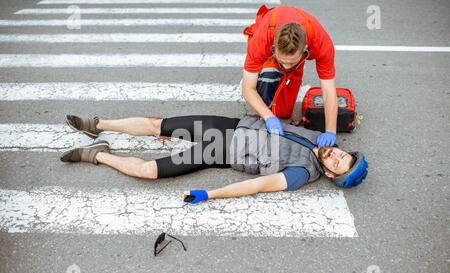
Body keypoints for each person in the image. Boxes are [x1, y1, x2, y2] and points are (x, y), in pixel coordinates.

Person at [60, 115, 368, 204]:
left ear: (330, 175)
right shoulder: (323, 139)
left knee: (149, 171)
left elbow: (258, 186)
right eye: (344, 154)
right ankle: (96, 125)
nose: (338, 154)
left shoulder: (302, 174)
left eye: (339, 163)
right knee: (158, 124)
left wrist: (210, 194)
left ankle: (97, 154)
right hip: (228, 126)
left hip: (219, 152)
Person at [242, 5, 338, 148]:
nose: (286, 67)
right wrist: (268, 117)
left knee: (284, 112)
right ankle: (268, 72)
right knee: (269, 80)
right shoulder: (262, 40)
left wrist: (331, 131)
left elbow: (329, 92)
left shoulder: (321, 42)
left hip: (299, 52)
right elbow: (247, 88)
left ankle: (290, 64)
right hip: (269, 29)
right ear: (274, 48)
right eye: (283, 62)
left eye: (291, 62)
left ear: (305, 49)